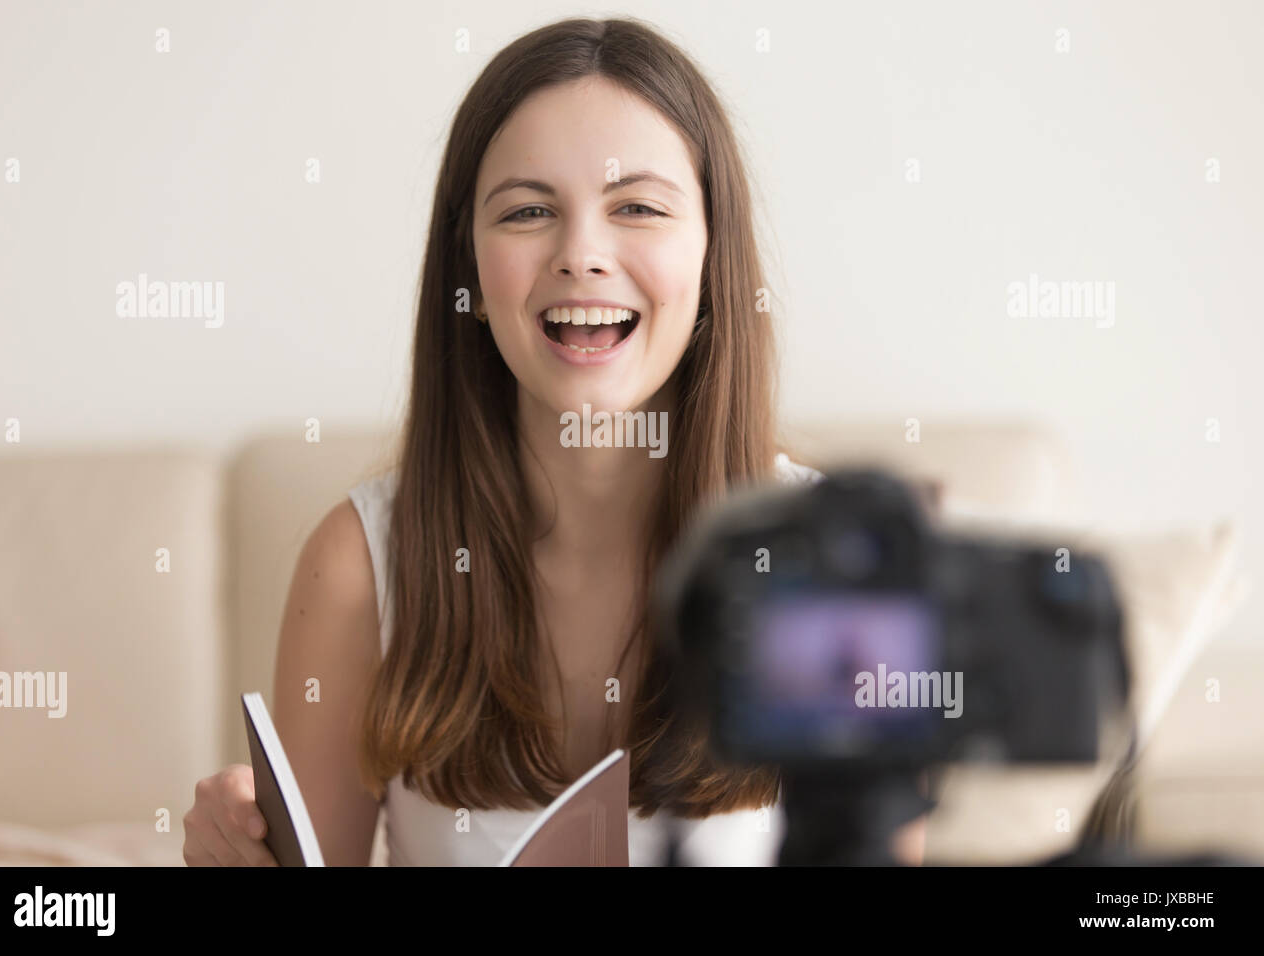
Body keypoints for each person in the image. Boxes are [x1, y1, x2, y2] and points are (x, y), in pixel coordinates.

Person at [183, 15, 928, 867]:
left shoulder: (833, 559)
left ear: (712, 249)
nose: (582, 255)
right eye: (529, 211)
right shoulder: (359, 564)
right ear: (468, 261)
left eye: (638, 207)